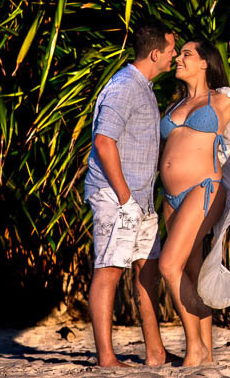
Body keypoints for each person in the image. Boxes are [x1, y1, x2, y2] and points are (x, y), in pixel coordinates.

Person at [83, 20, 177, 368]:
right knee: (108, 270)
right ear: (155, 53)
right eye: (170, 51)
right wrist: (124, 199)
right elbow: (104, 141)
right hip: (116, 196)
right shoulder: (124, 86)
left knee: (147, 271)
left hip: (139, 198)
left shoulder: (143, 86)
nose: (173, 58)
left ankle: (156, 353)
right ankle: (106, 358)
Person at [156, 39, 230, 366]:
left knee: (169, 265)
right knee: (190, 269)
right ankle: (206, 350)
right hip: (171, 197)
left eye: (186, 55)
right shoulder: (174, 105)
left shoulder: (223, 100)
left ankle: (195, 348)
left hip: (204, 189)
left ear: (205, 62)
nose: (178, 58)